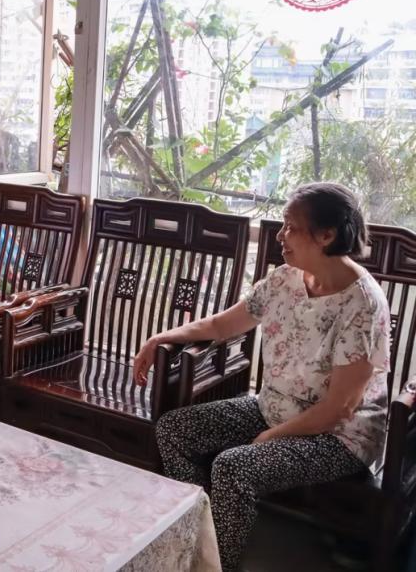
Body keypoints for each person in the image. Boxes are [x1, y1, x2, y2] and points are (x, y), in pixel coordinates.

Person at [133, 182, 391, 571]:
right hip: (273, 407)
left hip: (337, 436)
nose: (280, 235)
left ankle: (216, 565)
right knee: (174, 430)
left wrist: (273, 436)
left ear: (326, 235)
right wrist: (160, 338)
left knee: (234, 467)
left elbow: (340, 407)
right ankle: (201, 535)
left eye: (291, 227)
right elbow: (222, 325)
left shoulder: (363, 305)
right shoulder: (284, 279)